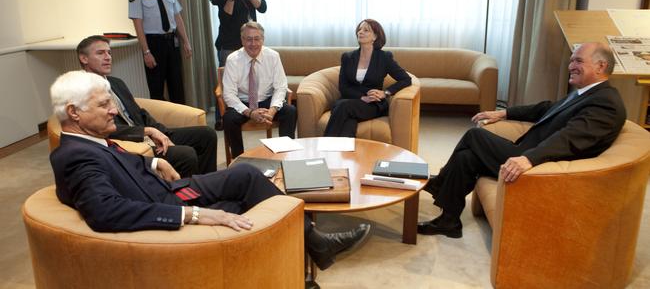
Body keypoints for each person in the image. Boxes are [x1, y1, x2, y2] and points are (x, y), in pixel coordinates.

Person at [49, 70, 371, 285]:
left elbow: (114, 162)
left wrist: (151, 165)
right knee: (243, 207)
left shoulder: (86, 143)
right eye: (103, 104)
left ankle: (311, 241)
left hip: (166, 188)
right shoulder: (75, 157)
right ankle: (305, 255)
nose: (112, 111)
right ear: (74, 112)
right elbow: (106, 212)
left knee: (245, 174)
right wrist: (194, 214)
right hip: (166, 204)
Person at [417, 42, 626, 238]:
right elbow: (546, 109)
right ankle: (449, 221)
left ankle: (439, 183)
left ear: (601, 66)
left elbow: (570, 139)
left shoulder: (605, 103)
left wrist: (530, 158)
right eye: (571, 60)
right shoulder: (585, 93)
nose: (571, 66)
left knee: (475, 135)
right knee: (466, 157)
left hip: (541, 167)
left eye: (578, 61)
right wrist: (504, 113)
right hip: (529, 152)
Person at [77, 35, 217, 178]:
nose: (107, 57)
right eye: (100, 53)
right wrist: (146, 131)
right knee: (186, 154)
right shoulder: (83, 91)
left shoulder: (116, 82)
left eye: (109, 53)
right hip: (130, 142)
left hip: (148, 134)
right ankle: (187, 194)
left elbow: (139, 112)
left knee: (207, 134)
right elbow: (104, 129)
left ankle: (207, 184)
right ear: (84, 58)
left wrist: (160, 131)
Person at [324, 19, 412, 137]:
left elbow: (406, 79)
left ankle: (325, 144)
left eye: (366, 30)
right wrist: (362, 97)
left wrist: (385, 92)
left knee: (342, 107)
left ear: (375, 37)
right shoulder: (347, 57)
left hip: (372, 104)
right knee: (348, 117)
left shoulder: (384, 57)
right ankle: (347, 153)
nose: (361, 32)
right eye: (359, 29)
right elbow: (343, 87)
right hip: (350, 100)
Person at [222, 22, 296, 159]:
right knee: (229, 119)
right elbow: (229, 94)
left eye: (257, 39)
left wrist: (272, 111)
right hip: (243, 102)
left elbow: (280, 87)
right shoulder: (233, 60)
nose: (253, 43)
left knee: (290, 112)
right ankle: (239, 159)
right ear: (242, 40)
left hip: (266, 101)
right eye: (248, 39)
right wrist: (250, 113)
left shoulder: (273, 56)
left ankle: (286, 155)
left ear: (263, 39)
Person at [210, 0, 267, 130]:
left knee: (251, 76)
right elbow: (226, 16)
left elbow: (262, 7)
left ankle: (251, 110)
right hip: (229, 41)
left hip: (250, 41)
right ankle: (222, 117)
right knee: (225, 79)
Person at [129, 0, 192, 104]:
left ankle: (181, 121)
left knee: (177, 85)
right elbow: (138, 24)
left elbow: (177, 17)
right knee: (156, 87)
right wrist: (146, 52)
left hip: (171, 41)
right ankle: (160, 124)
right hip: (153, 43)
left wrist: (186, 41)